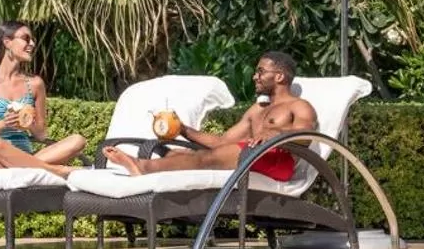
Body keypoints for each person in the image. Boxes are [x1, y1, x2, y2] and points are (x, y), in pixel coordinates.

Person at [103, 51, 314, 180]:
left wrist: (275, 133)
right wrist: (183, 129)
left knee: (208, 158)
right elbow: (222, 142)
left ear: (279, 76)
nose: (255, 76)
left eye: (260, 72)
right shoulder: (257, 109)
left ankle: (143, 167)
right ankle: (146, 167)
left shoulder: (299, 106)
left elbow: (305, 136)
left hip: (277, 161)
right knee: (180, 154)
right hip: (251, 157)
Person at [0, 22, 88, 176]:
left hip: (26, 157)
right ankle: (56, 170)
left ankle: (15, 167)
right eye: (26, 39)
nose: (32, 44)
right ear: (7, 42)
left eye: (32, 40)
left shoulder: (35, 84)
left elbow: (41, 134)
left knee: (77, 140)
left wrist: (29, 123)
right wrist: (2, 124)